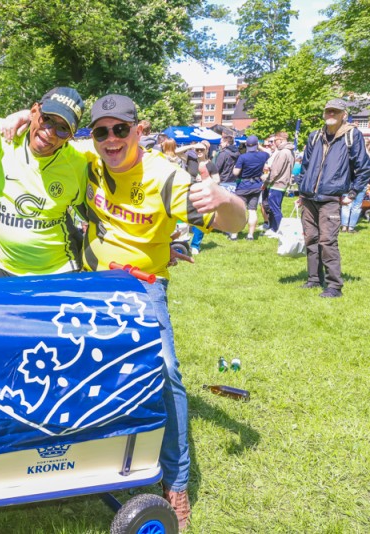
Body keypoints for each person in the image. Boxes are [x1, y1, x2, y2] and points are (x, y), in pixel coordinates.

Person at [82, 95, 246, 530]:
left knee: (166, 370)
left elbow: (238, 223)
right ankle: (90, 455)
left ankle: (175, 480)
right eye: (102, 131)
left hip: (142, 286)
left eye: (121, 129)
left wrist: (225, 198)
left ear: (140, 130)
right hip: (88, 281)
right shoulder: (88, 157)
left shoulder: (166, 177)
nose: (111, 139)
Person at [0, 87, 91, 277]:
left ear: (71, 136)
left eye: (63, 129)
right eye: (47, 119)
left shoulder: (79, 164)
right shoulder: (0, 137)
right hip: (1, 265)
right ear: (34, 111)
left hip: (58, 269)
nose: (50, 132)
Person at [298, 98, 370, 298]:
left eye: (335, 112)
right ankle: (313, 278)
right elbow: (305, 167)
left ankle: (334, 286)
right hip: (310, 198)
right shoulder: (314, 136)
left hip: (331, 198)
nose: (331, 115)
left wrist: (353, 193)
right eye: (328, 111)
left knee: (327, 241)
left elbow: (364, 168)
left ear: (343, 115)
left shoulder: (352, 136)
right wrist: (302, 191)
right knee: (310, 239)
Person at [231, 135, 270, 240]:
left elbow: (236, 172)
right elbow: (270, 153)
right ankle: (250, 235)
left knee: (239, 211)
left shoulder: (243, 157)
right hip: (256, 186)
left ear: (246, 145)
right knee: (252, 210)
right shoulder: (263, 155)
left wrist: (235, 167)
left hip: (243, 187)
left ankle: (234, 234)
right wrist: (260, 147)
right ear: (257, 144)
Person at [262, 132, 295, 238]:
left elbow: (276, 171)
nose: (273, 143)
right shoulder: (290, 152)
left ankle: (280, 230)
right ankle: (274, 228)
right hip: (281, 182)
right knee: (274, 207)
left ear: (281, 140)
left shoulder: (283, 152)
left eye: (274, 140)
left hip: (277, 183)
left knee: (274, 208)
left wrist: (267, 181)